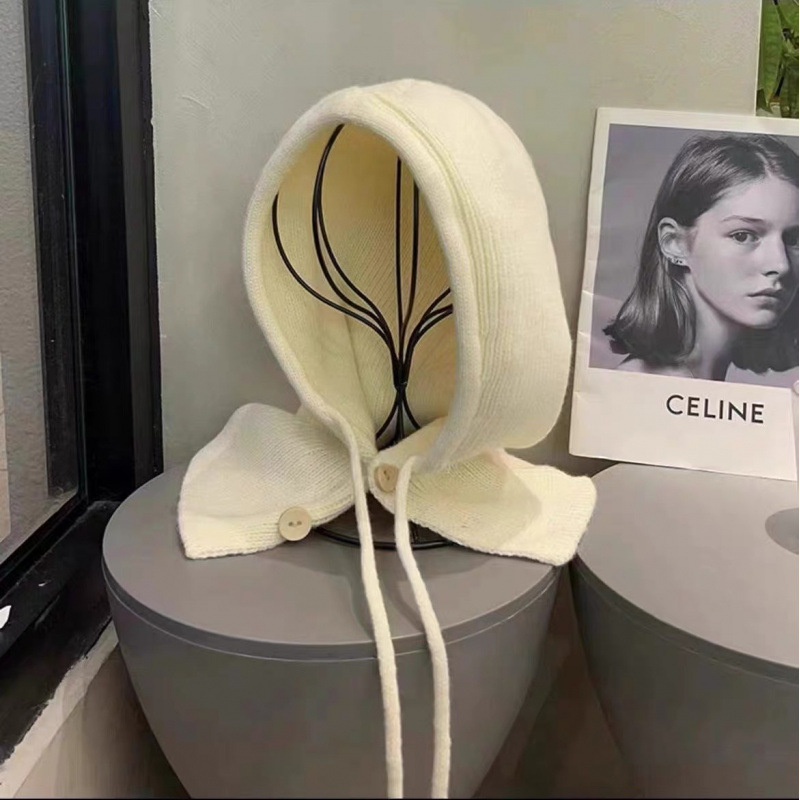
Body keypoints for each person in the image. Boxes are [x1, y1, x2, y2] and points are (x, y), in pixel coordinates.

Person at [605, 133, 798, 381]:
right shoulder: (642, 384)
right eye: (742, 235)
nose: (781, 264)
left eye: (794, 240)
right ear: (674, 243)